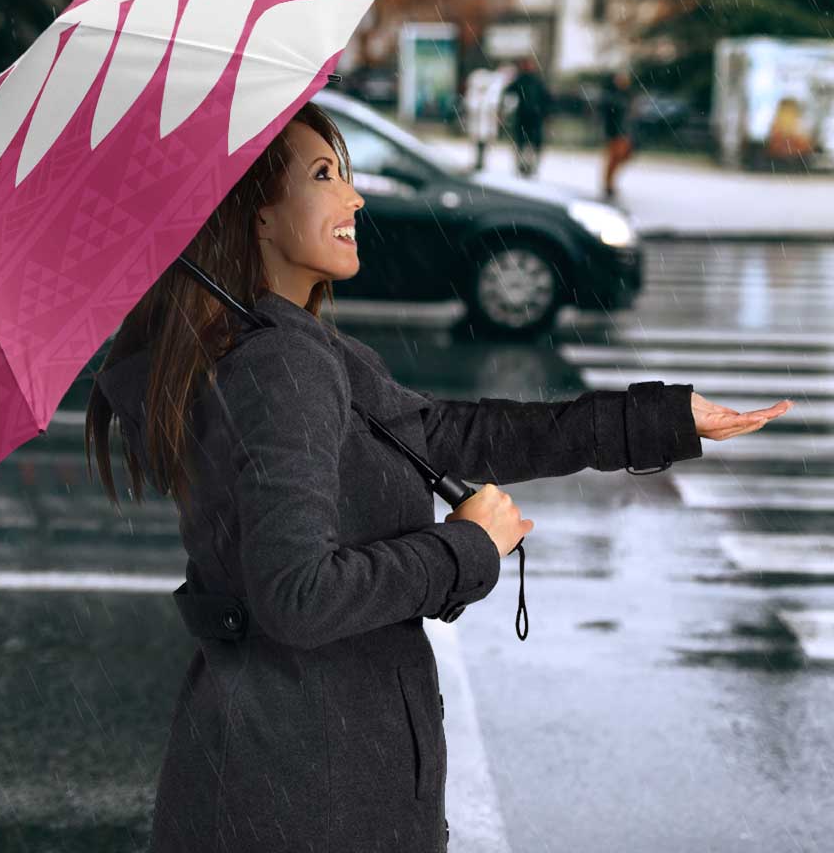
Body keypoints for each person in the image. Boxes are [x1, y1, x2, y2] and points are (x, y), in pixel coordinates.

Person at [86, 101, 790, 853]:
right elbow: (297, 596)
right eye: (324, 175)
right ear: (255, 217)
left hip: (294, 772)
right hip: (306, 792)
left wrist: (660, 419)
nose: (354, 197)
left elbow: (453, 434)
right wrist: (464, 548)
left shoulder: (291, 348)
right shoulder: (279, 366)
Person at [502, 55, 552, 178]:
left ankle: (529, 166)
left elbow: (546, 99)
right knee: (523, 143)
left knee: (530, 144)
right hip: (525, 117)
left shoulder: (535, 81)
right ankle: (523, 166)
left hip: (533, 117)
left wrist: (545, 113)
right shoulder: (522, 80)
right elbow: (508, 93)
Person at [600, 68, 636, 199]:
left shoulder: (627, 95)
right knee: (614, 158)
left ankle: (609, 183)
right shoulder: (612, 96)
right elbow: (609, 115)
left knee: (622, 157)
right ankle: (608, 184)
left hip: (624, 132)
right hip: (615, 132)